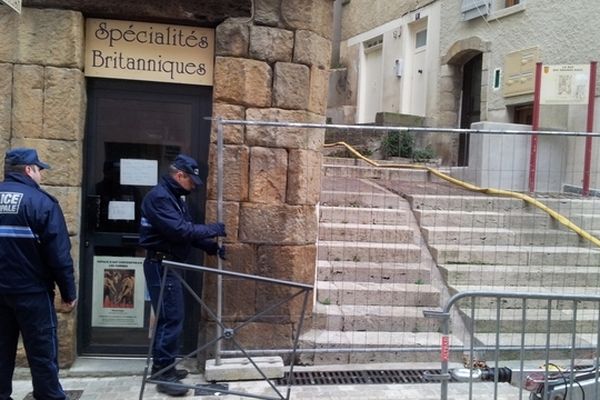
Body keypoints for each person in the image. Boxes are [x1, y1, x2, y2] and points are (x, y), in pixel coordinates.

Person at [139, 154, 226, 397]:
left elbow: (187, 233)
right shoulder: (159, 198)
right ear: (180, 175)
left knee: (170, 317)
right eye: (192, 181)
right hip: (161, 264)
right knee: (171, 318)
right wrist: (214, 229)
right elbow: (179, 230)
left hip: (169, 264)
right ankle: (164, 375)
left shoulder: (175, 198)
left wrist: (211, 246)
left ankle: (163, 368)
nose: (194, 186)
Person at [0, 148, 77, 400]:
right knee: (42, 351)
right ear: (28, 170)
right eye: (39, 169)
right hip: (32, 292)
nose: (41, 175)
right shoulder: (42, 203)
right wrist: (68, 292)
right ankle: (49, 396)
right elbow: (59, 255)